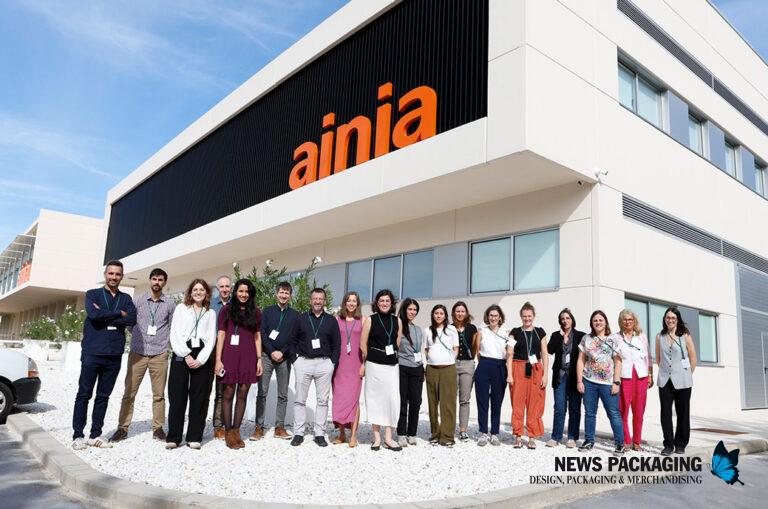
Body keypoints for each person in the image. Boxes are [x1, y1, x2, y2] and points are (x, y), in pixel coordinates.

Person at [72, 260, 137, 450]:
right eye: (111, 274)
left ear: (121, 276)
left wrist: (110, 314)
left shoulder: (126, 298)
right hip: (92, 352)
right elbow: (93, 315)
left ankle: (95, 434)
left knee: (103, 396)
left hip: (114, 355)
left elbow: (132, 318)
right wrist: (119, 314)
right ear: (105, 275)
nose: (114, 277)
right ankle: (78, 435)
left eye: (117, 274)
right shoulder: (92, 294)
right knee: (84, 394)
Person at [111, 268, 176, 443]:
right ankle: (122, 428)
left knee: (159, 395)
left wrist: (163, 343)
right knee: (129, 393)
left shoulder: (170, 304)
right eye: (154, 279)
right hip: (137, 353)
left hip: (159, 354)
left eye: (160, 279)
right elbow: (130, 323)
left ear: (164, 282)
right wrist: (139, 338)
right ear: (149, 280)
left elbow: (171, 327)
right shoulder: (138, 300)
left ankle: (158, 428)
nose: (157, 282)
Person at [166, 279, 218, 449]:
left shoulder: (210, 313)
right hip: (182, 351)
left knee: (200, 397)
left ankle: (194, 436)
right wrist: (186, 354)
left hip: (202, 354)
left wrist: (201, 359)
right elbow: (174, 333)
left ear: (207, 293)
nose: (198, 292)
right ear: (190, 291)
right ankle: (173, 437)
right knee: (177, 396)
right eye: (195, 289)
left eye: (201, 289)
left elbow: (211, 339)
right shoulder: (181, 308)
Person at [214, 278, 263, 449]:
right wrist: (218, 359)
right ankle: (228, 432)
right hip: (229, 356)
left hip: (248, 357)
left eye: (247, 292)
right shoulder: (226, 310)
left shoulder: (256, 312)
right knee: (227, 394)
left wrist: (259, 359)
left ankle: (236, 431)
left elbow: (257, 336)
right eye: (241, 291)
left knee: (242, 394)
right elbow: (221, 334)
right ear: (236, 292)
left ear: (251, 294)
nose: (243, 294)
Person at [290, 288, 340, 447]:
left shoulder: (331, 320)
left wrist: (332, 363)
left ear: (324, 301)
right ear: (310, 300)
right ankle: (298, 432)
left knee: (323, 401)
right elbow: (293, 341)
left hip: (324, 363)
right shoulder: (301, 318)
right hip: (304, 362)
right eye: (315, 298)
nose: (317, 301)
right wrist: (295, 361)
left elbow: (336, 344)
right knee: (299, 400)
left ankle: (320, 433)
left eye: (320, 298)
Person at [253, 282, 299, 441]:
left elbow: (294, 338)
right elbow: (262, 333)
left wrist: (282, 352)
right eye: (281, 292)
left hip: (284, 358)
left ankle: (279, 427)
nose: (284, 295)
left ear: (290, 295)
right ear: (276, 294)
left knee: (283, 394)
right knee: (262, 392)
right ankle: (259, 427)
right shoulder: (267, 311)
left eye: (287, 293)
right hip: (267, 356)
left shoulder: (295, 315)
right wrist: (272, 351)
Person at [576, 310, 625, 454]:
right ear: (592, 323)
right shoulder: (586, 338)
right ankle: (589, 441)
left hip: (608, 383)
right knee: (590, 413)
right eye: (595, 320)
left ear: (605, 322)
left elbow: (618, 362)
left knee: (613, 413)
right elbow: (581, 360)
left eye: (600, 320)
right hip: (589, 381)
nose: (598, 322)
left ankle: (619, 444)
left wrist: (616, 382)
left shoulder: (613, 339)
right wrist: (579, 380)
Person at [360, 289, 403, 451]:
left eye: (387, 301)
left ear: (391, 303)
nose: (384, 303)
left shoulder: (397, 321)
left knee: (392, 400)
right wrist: (367, 360)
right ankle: (377, 438)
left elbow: (397, 342)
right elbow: (363, 343)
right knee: (375, 400)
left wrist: (388, 353)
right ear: (376, 303)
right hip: (374, 365)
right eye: (381, 301)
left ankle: (389, 438)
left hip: (391, 366)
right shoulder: (370, 320)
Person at [507, 301, 549, 449]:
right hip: (518, 367)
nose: (527, 318)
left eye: (529, 316)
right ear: (521, 316)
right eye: (524, 316)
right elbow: (509, 354)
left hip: (536, 368)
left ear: (533, 316)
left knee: (535, 403)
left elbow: (544, 353)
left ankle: (532, 436)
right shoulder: (515, 332)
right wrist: (509, 375)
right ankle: (518, 435)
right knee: (517, 402)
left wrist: (545, 375)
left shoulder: (540, 332)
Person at [656, 306, 696, 455]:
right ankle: (668, 444)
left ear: (677, 320)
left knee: (683, 412)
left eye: (673, 318)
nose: (670, 320)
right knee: (665, 413)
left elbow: (693, 358)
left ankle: (681, 444)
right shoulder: (659, 336)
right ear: (664, 319)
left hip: (683, 380)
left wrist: (686, 374)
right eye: (668, 318)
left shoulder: (685, 335)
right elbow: (659, 359)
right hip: (665, 380)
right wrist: (667, 372)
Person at [546, 308, 586, 449]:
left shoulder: (581, 335)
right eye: (562, 318)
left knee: (574, 408)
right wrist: (560, 338)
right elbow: (550, 350)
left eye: (567, 318)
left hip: (575, 377)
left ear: (572, 319)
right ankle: (556, 437)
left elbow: (585, 355)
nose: (565, 320)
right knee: (559, 407)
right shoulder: (556, 335)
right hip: (560, 376)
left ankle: (572, 437)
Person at [331, 291, 367, 447]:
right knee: (339, 399)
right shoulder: (337, 320)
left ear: (357, 304)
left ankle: (353, 435)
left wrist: (364, 364)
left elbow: (366, 345)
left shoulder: (364, 320)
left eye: (354, 301)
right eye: (349, 301)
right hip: (339, 365)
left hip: (355, 365)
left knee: (353, 400)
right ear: (344, 303)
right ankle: (341, 434)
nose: (351, 303)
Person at [616, 309, 653, 451]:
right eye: (625, 319)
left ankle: (636, 442)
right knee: (623, 410)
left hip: (641, 376)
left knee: (639, 411)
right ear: (621, 321)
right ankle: (626, 440)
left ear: (634, 321)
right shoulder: (616, 337)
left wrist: (650, 375)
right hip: (624, 376)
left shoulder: (642, 337)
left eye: (630, 319)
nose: (628, 322)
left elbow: (648, 357)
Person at [423, 304, 459, 447]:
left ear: (445, 315)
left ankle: (447, 436)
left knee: (448, 403)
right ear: (433, 315)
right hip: (432, 369)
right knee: (433, 403)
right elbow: (426, 349)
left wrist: (449, 359)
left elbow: (456, 348)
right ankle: (435, 434)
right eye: (436, 313)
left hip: (448, 369)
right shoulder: (427, 330)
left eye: (441, 313)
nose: (438, 316)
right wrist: (432, 359)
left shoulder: (451, 329)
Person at [474, 305, 509, 447]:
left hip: (500, 366)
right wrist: (483, 362)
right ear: (487, 316)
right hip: (484, 365)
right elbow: (477, 350)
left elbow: (509, 352)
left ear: (500, 317)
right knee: (482, 400)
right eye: (491, 315)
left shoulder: (506, 332)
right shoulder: (481, 330)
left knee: (496, 401)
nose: (493, 318)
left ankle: (494, 433)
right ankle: (483, 432)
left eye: (496, 315)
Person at [396, 297, 424, 447]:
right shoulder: (398, 325)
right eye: (410, 309)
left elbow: (419, 349)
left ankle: (412, 433)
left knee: (416, 402)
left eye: (415, 310)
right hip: (402, 366)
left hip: (417, 367)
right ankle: (401, 433)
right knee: (402, 402)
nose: (412, 312)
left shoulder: (418, 329)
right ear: (404, 309)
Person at [209, 275, 232, 440]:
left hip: (227, 353)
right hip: (208, 352)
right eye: (221, 286)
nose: (224, 289)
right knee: (203, 390)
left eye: (227, 286)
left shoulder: (236, 306)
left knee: (221, 391)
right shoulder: (210, 305)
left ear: (231, 288)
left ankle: (219, 425)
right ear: (218, 288)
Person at [453, 301, 479, 441]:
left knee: (464, 399)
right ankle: (449, 428)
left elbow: (475, 347)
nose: (460, 313)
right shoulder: (449, 328)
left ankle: (463, 430)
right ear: (454, 313)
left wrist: (470, 360)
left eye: (462, 311)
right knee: (450, 398)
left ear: (466, 312)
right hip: (452, 364)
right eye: (457, 311)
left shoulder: (472, 328)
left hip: (468, 364)